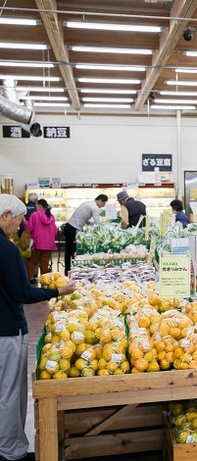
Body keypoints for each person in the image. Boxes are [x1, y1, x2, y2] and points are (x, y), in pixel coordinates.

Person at [0, 194, 76, 461]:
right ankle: (11, 451)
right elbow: (22, 293)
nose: (22, 224)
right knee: (9, 393)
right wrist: (57, 291)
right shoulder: (6, 249)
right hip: (6, 330)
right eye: (19, 218)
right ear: (5, 216)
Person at [64, 194, 108, 274]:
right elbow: (97, 222)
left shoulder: (87, 203)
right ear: (101, 201)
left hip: (69, 226)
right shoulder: (94, 207)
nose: (102, 206)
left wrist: (91, 224)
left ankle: (67, 269)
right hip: (73, 228)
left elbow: (85, 219)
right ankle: (71, 270)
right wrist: (106, 227)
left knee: (68, 250)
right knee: (73, 251)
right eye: (103, 204)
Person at [24, 199, 57, 281]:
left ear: (39, 206)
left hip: (37, 243)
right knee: (44, 263)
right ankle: (44, 280)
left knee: (32, 261)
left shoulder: (35, 215)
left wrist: (24, 221)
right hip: (49, 244)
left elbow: (29, 228)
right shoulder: (51, 216)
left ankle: (31, 278)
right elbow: (55, 230)